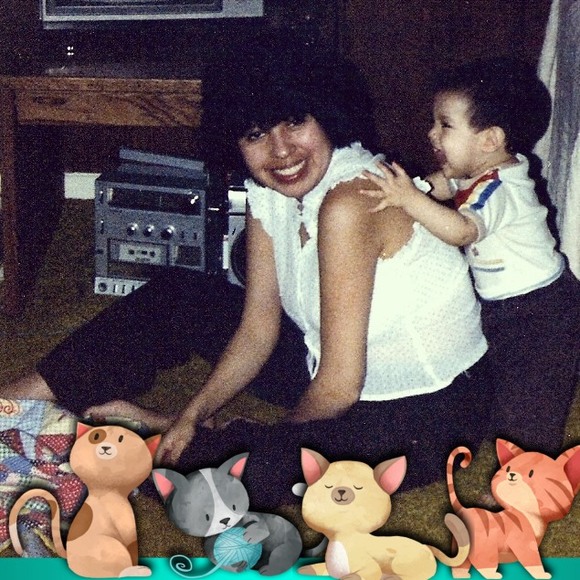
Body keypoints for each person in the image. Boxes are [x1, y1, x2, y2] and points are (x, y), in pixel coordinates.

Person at [2, 37, 491, 509]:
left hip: (426, 412)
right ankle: (16, 401)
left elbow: (341, 386)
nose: (281, 151)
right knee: (179, 295)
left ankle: (131, 437)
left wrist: (268, 445)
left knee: (219, 483)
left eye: (294, 122)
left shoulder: (351, 201)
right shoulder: (270, 190)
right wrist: (194, 413)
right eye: (256, 134)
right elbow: (258, 328)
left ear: (326, 115)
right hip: (326, 362)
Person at [360, 57, 580, 456]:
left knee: (533, 399)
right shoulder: (475, 171)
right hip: (506, 304)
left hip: (540, 311)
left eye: (445, 124)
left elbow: (461, 230)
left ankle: (530, 472)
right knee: (504, 379)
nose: (432, 133)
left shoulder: (499, 188)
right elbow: (442, 185)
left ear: (489, 140)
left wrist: (409, 199)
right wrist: (414, 189)